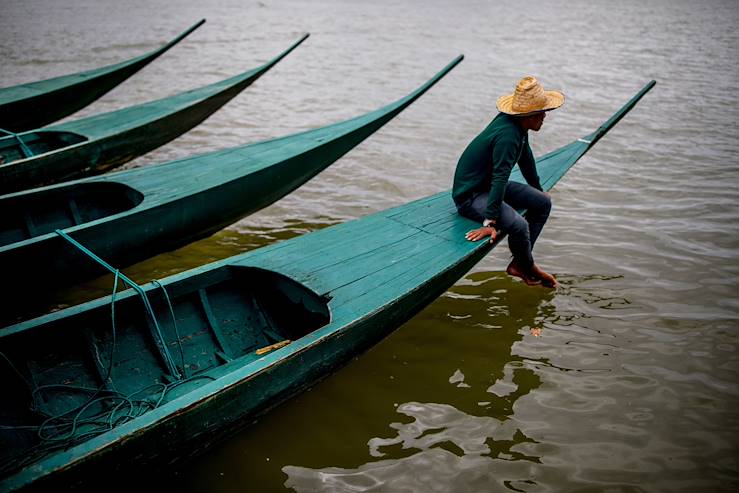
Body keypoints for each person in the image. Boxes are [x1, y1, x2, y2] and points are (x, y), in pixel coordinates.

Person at [452, 76, 564, 288]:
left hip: (486, 186)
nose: (545, 116)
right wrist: (490, 222)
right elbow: (500, 176)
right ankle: (528, 266)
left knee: (543, 203)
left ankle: (519, 264)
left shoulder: (518, 127)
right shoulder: (508, 134)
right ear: (527, 115)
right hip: (470, 195)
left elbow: (526, 158)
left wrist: (537, 189)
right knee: (519, 226)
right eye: (541, 112)